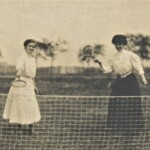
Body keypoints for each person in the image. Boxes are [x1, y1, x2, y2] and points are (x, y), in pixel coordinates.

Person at [94, 34, 148, 136]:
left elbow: (137, 66)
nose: (118, 46)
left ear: (124, 44)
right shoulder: (113, 58)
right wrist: (100, 63)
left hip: (130, 81)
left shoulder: (130, 55)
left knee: (132, 103)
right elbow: (108, 70)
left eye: (120, 44)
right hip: (119, 81)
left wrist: (143, 78)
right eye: (116, 44)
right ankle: (118, 127)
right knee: (115, 102)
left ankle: (133, 129)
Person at [3, 39, 41, 134]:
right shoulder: (21, 58)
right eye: (29, 46)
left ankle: (30, 129)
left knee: (31, 104)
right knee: (20, 104)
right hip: (21, 83)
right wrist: (19, 78)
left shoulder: (32, 59)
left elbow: (32, 76)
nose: (31, 48)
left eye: (33, 46)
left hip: (29, 83)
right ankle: (19, 127)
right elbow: (19, 69)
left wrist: (34, 86)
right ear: (25, 47)